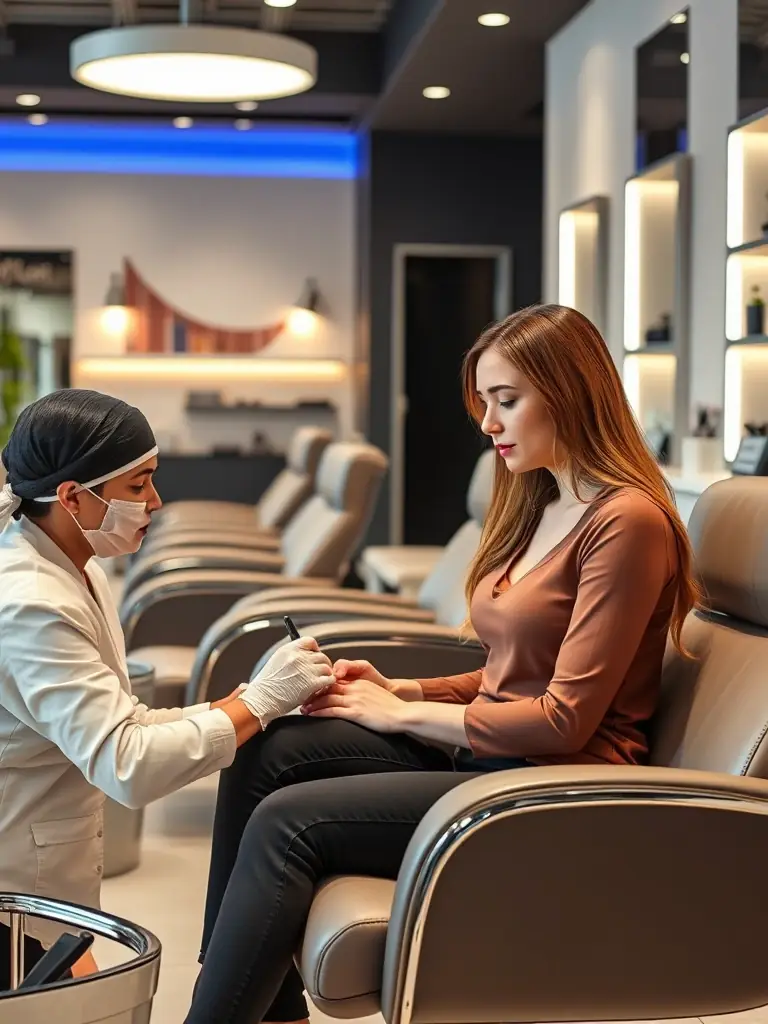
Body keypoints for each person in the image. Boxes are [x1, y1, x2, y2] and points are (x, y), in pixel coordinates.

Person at [186, 303, 701, 1024]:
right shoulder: (541, 500)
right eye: (485, 404)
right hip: (490, 757)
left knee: (287, 823)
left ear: (572, 391)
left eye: (507, 401)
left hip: (551, 788)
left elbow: (562, 719)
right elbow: (506, 671)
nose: (488, 424)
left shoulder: (626, 522)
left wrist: (401, 713)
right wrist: (406, 686)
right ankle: (256, 1003)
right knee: (267, 745)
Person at [0, 389, 335, 988]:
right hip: (16, 889)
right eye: (138, 486)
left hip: (49, 871)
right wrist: (256, 704)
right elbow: (126, 763)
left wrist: (244, 700)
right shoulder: (31, 603)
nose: (155, 501)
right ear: (73, 497)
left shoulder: (76, 563)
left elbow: (122, 719)